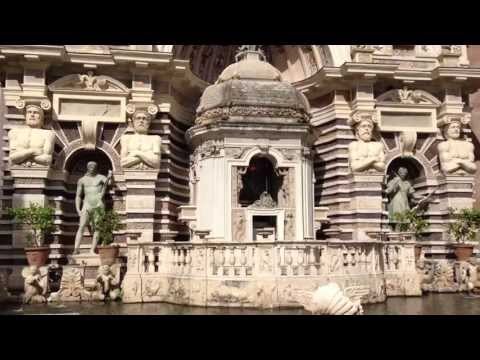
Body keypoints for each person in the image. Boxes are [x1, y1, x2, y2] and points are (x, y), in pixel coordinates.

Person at [73, 161, 112, 254]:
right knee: (81, 226)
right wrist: (78, 209)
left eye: (94, 166)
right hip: (87, 204)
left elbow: (109, 183)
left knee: (97, 228)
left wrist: (110, 175)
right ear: (87, 167)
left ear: (96, 167)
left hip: (99, 203)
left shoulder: (101, 177)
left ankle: (92, 249)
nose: (92, 167)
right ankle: (76, 249)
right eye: (90, 166)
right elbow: (78, 196)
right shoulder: (82, 180)